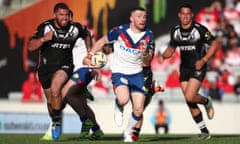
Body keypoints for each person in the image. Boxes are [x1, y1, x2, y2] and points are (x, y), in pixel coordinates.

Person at [83, 7, 154, 142]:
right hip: (120, 71)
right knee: (123, 100)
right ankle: (118, 104)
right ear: (131, 18)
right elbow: (102, 41)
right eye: (139, 16)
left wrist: (145, 52)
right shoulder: (120, 31)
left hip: (137, 74)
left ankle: (127, 132)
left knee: (138, 110)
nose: (142, 19)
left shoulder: (148, 35)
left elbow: (147, 61)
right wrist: (90, 55)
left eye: (144, 16)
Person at [28, 2, 92, 141]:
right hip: (45, 69)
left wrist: (90, 53)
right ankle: (55, 119)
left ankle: (57, 123)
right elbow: (31, 46)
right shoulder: (45, 27)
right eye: (61, 15)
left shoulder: (75, 28)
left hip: (65, 66)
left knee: (57, 87)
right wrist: (44, 39)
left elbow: (87, 34)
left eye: (67, 15)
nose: (65, 18)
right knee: (51, 101)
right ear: (55, 15)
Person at [159, 4, 219, 140]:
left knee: (190, 96)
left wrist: (204, 60)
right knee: (189, 101)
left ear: (192, 15)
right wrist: (163, 56)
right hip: (184, 69)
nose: (185, 16)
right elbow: (171, 49)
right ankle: (204, 131)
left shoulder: (200, 30)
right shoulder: (175, 31)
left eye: (188, 14)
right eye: (183, 13)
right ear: (179, 15)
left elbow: (214, 44)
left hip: (198, 67)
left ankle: (206, 101)